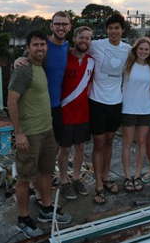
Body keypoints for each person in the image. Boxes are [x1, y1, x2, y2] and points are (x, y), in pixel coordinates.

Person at [8, 30, 71, 238]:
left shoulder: (39, 65)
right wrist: (19, 133)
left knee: (45, 172)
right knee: (25, 178)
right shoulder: (23, 69)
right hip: (30, 134)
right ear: (27, 48)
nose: (40, 48)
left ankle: (46, 208)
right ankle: (23, 219)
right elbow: (12, 101)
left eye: (43, 44)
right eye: (35, 45)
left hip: (46, 130)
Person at [88, 12, 131, 204]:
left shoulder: (128, 49)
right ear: (106, 30)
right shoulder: (96, 45)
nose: (113, 31)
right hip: (96, 101)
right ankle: (98, 183)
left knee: (110, 140)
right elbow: (74, 51)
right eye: (110, 28)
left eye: (117, 28)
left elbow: (147, 60)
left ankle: (106, 176)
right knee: (98, 143)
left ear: (122, 30)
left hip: (116, 102)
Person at [57, 26, 94, 199]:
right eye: (82, 37)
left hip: (83, 113)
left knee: (80, 147)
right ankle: (63, 181)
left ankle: (76, 178)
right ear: (74, 38)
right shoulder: (64, 58)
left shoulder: (92, 61)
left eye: (88, 38)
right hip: (64, 112)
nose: (84, 41)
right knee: (64, 149)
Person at [120, 37, 150, 192]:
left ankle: (137, 175)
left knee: (142, 143)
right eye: (141, 49)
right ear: (136, 49)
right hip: (128, 108)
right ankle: (128, 176)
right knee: (127, 143)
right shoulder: (127, 65)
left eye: (147, 49)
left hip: (146, 109)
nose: (143, 52)